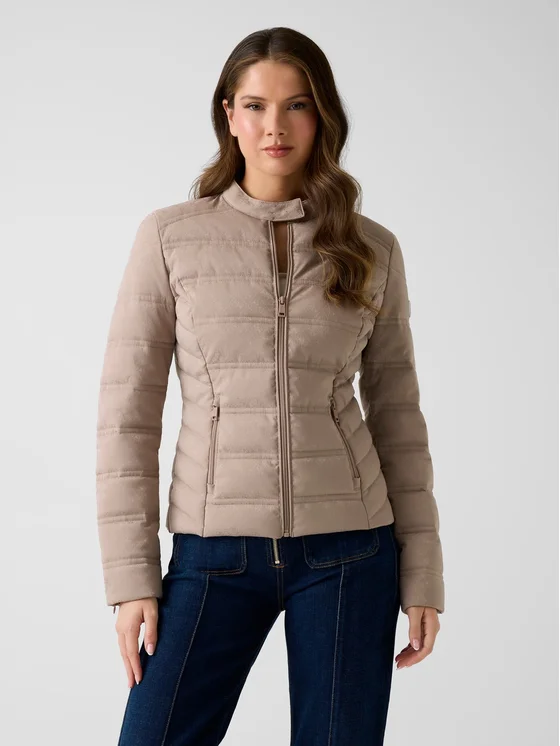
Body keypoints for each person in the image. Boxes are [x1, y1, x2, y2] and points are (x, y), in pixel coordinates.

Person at [96, 26, 445, 746]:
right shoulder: (171, 238)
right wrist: (130, 579)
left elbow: (398, 415)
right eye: (255, 106)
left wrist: (423, 572)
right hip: (213, 552)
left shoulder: (371, 247)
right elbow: (127, 417)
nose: (275, 127)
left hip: (351, 552)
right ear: (229, 115)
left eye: (297, 105)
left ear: (322, 117)